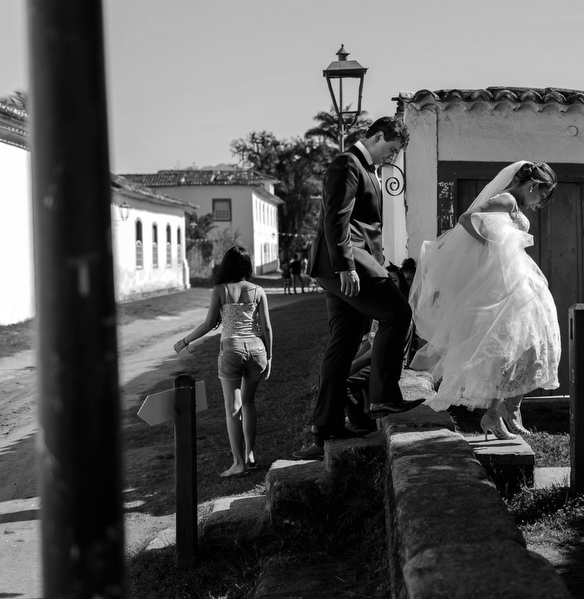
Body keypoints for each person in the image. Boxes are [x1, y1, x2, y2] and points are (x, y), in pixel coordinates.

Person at [295, 116, 425, 459]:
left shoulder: (368, 170)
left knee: (344, 344)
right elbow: (336, 218)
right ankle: (383, 395)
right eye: (391, 149)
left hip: (347, 264)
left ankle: (325, 428)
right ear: (378, 136)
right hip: (345, 263)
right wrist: (346, 267)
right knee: (398, 313)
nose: (391, 157)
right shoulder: (346, 163)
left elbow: (366, 225)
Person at [409, 161, 561, 440]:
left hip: (516, 276)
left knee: (531, 341)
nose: (539, 202)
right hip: (503, 280)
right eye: (541, 195)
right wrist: (487, 245)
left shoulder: (512, 202)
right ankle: (497, 413)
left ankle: (503, 412)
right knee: (513, 345)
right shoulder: (505, 198)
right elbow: (467, 219)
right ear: (532, 185)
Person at [175, 246, 273, 477]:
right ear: (247, 266)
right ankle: (249, 455)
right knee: (248, 403)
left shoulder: (220, 290)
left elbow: (209, 324)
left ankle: (238, 464)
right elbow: (267, 327)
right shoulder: (258, 290)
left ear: (226, 265)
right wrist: (270, 356)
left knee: (233, 408)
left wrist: (185, 341)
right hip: (257, 350)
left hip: (231, 350)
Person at [344, 263, 415, 433]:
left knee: (342, 382)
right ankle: (358, 417)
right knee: (340, 375)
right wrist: (351, 362)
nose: (390, 285)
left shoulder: (400, 312)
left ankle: (361, 424)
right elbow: (370, 342)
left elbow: (378, 352)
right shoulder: (381, 309)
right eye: (387, 281)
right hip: (375, 360)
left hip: (388, 362)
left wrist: (352, 366)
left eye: (394, 281)